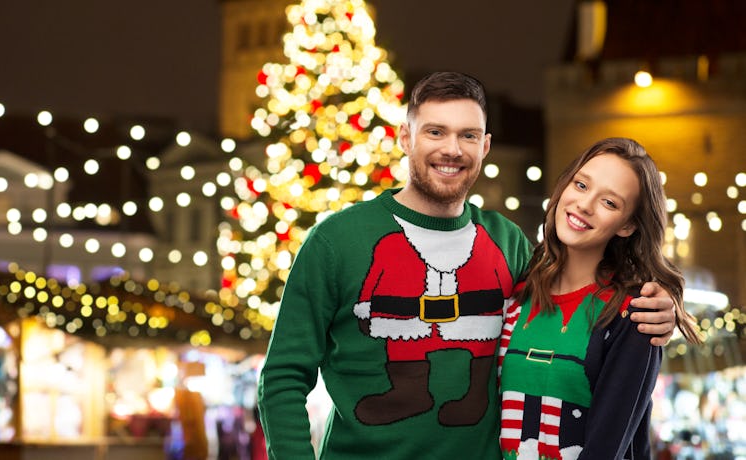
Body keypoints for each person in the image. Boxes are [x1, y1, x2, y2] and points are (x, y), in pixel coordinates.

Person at [258, 72, 677, 459]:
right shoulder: (336, 241)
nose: (452, 149)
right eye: (435, 131)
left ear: (485, 146)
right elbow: (282, 378)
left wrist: (660, 304)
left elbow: (575, 287)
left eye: (468, 135)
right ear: (406, 137)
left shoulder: (508, 241)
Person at [498, 137, 701, 459]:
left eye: (609, 203)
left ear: (627, 225)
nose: (584, 204)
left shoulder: (634, 316)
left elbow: (608, 449)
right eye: (581, 185)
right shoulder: (515, 293)